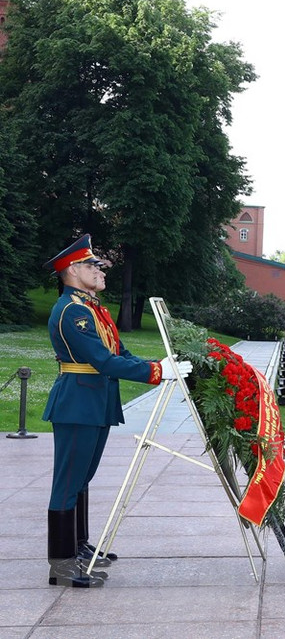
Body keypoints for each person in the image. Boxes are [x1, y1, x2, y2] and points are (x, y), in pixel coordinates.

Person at [42, 234, 191, 588]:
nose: (101, 271)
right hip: (78, 403)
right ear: (73, 270)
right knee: (67, 483)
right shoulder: (72, 311)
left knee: (81, 479)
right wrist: (157, 373)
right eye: (94, 266)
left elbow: (120, 354)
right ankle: (60, 565)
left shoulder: (92, 309)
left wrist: (159, 364)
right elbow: (102, 361)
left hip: (94, 402)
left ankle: (77, 547)